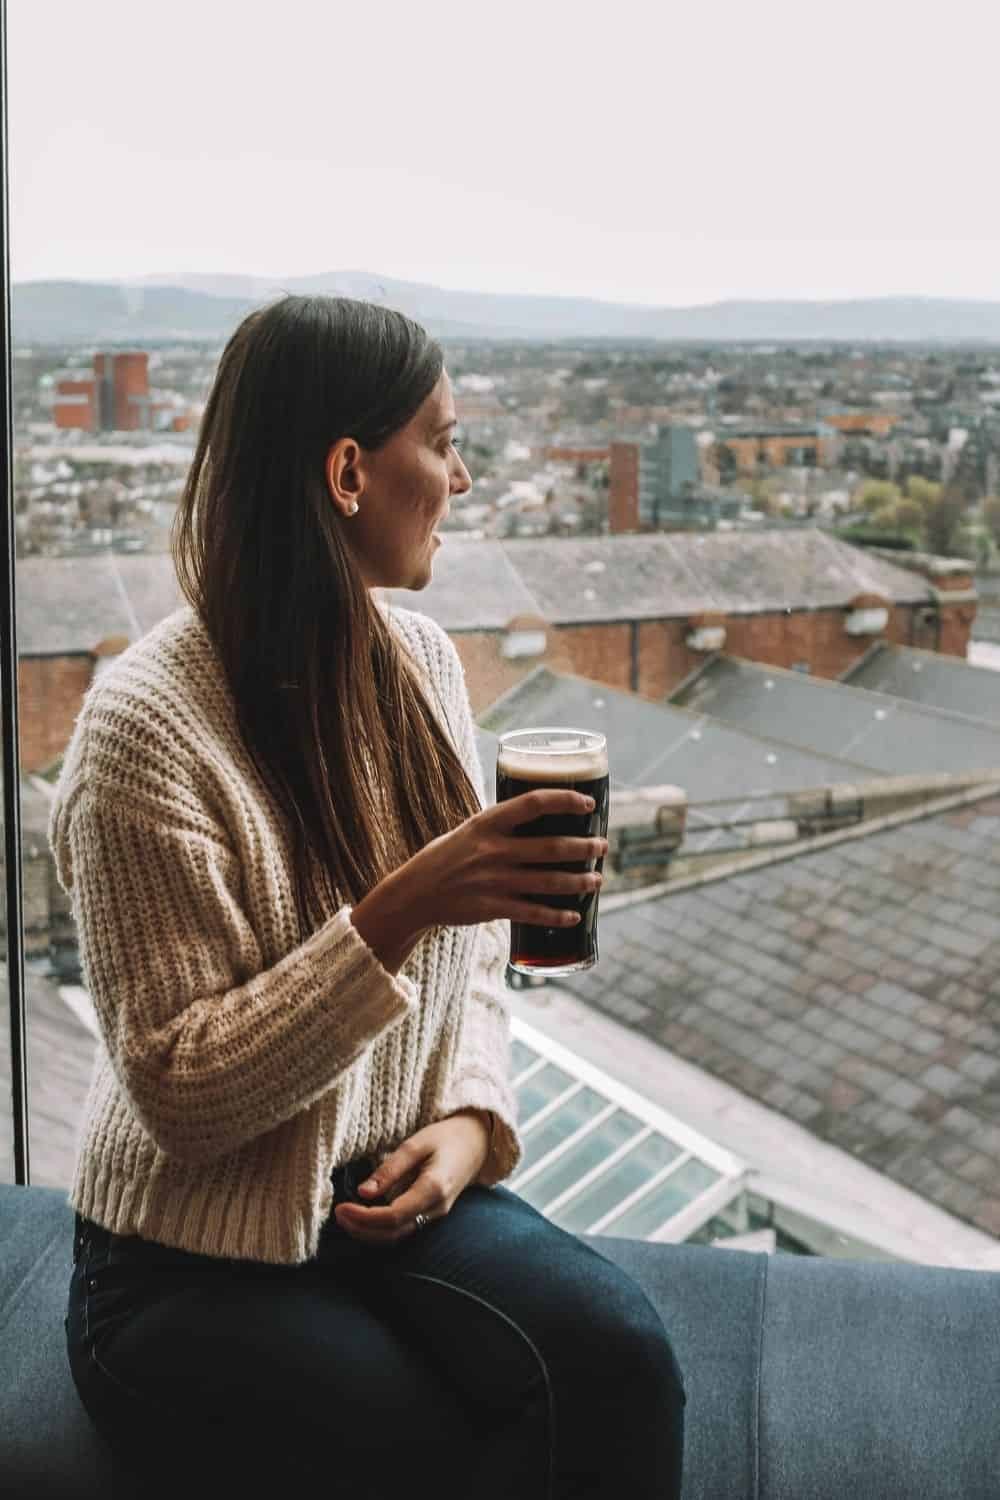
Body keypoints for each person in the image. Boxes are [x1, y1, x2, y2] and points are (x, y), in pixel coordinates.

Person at [50, 296, 686, 1498]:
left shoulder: (422, 664)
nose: (460, 474)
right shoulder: (146, 732)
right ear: (349, 469)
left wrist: (466, 1128)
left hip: (384, 1193)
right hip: (181, 1262)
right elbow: (182, 1092)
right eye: (441, 443)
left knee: (622, 1361)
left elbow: (473, 976)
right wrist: (394, 913)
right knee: (426, 1442)